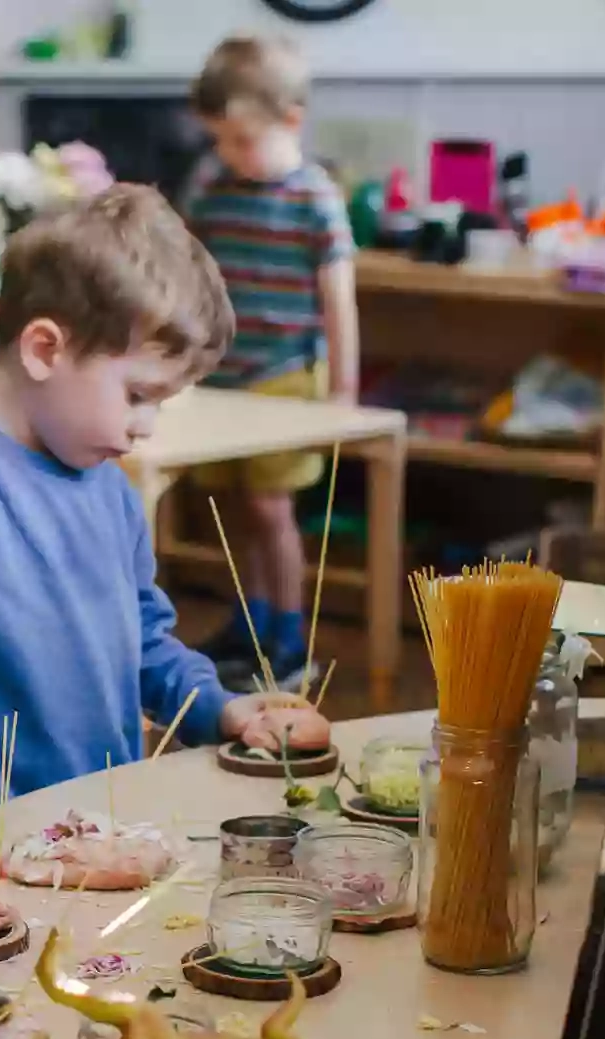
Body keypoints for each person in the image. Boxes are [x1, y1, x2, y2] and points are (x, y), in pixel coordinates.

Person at [0, 184, 331, 832]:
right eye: (139, 393)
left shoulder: (113, 493)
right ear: (45, 349)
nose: (146, 426)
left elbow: (144, 646)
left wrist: (223, 710)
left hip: (97, 835)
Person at [184, 33, 359, 692]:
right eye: (220, 140)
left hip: (285, 374)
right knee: (233, 509)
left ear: (291, 120)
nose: (229, 153)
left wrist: (343, 386)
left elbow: (338, 299)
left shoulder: (314, 196)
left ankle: (289, 637)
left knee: (271, 509)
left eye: (242, 140)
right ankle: (248, 622)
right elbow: (192, 271)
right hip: (223, 376)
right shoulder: (213, 185)